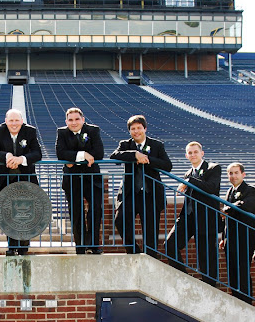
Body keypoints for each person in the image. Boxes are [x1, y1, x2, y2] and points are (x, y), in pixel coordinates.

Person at [110, 115, 172, 256]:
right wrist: (135, 155)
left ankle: (150, 257)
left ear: (145, 128)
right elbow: (114, 156)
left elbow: (168, 165)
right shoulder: (125, 144)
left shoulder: (157, 145)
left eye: (139, 128)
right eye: (133, 129)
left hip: (150, 194)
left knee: (150, 230)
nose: (136, 131)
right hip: (130, 193)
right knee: (120, 220)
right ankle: (134, 252)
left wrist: (147, 159)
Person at [164, 141, 221, 286]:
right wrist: (188, 179)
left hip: (206, 218)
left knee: (206, 256)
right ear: (186, 156)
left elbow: (211, 188)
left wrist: (189, 181)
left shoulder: (213, 168)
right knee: (170, 244)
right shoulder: (188, 173)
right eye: (190, 153)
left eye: (196, 152)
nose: (193, 155)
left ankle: (210, 286)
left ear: (202, 153)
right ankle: (184, 278)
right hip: (188, 217)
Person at [0, 108, 43, 256]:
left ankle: (23, 247)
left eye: (17, 120)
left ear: (22, 121)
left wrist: (21, 160)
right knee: (8, 214)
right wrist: (7, 156)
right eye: (11, 120)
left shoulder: (30, 131)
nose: (14, 124)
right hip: (6, 179)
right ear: (6, 121)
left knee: (26, 214)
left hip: (25, 179)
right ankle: (12, 247)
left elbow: (37, 153)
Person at [55, 107, 105, 254]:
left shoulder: (93, 130)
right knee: (76, 213)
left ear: (83, 119)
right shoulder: (62, 133)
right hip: (72, 180)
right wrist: (82, 155)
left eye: (77, 119)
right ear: (66, 121)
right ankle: (81, 247)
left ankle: (93, 245)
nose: (74, 122)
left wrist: (72, 158)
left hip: (92, 178)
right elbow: (60, 153)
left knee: (95, 210)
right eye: (70, 120)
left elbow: (99, 153)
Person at [219, 162, 255, 303]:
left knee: (243, 272)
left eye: (236, 173)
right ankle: (237, 301)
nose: (233, 176)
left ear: (243, 174)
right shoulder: (229, 191)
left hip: (244, 238)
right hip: (231, 239)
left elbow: (246, 205)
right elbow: (226, 220)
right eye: (230, 173)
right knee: (233, 272)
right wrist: (224, 237)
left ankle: (246, 303)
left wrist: (228, 208)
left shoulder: (250, 190)